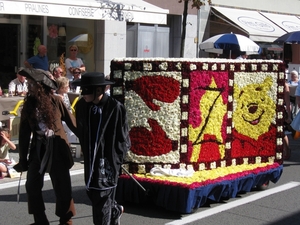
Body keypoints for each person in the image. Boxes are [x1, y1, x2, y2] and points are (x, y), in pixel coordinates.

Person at [13, 68, 77, 225]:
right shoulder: (29, 105)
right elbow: (23, 133)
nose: (29, 86)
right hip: (39, 148)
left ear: (41, 86)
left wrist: (90, 141)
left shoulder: (56, 101)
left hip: (57, 147)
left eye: (32, 84)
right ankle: (40, 220)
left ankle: (66, 219)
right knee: (32, 184)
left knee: (62, 185)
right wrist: (23, 159)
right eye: (29, 84)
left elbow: (72, 123)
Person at [75, 72, 131, 225]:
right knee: (93, 193)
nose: (83, 94)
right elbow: (81, 131)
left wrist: (117, 160)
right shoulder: (82, 106)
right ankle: (115, 211)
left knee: (102, 198)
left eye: (87, 90)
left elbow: (123, 137)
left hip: (107, 160)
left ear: (98, 91)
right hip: (91, 159)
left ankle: (108, 216)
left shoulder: (115, 108)